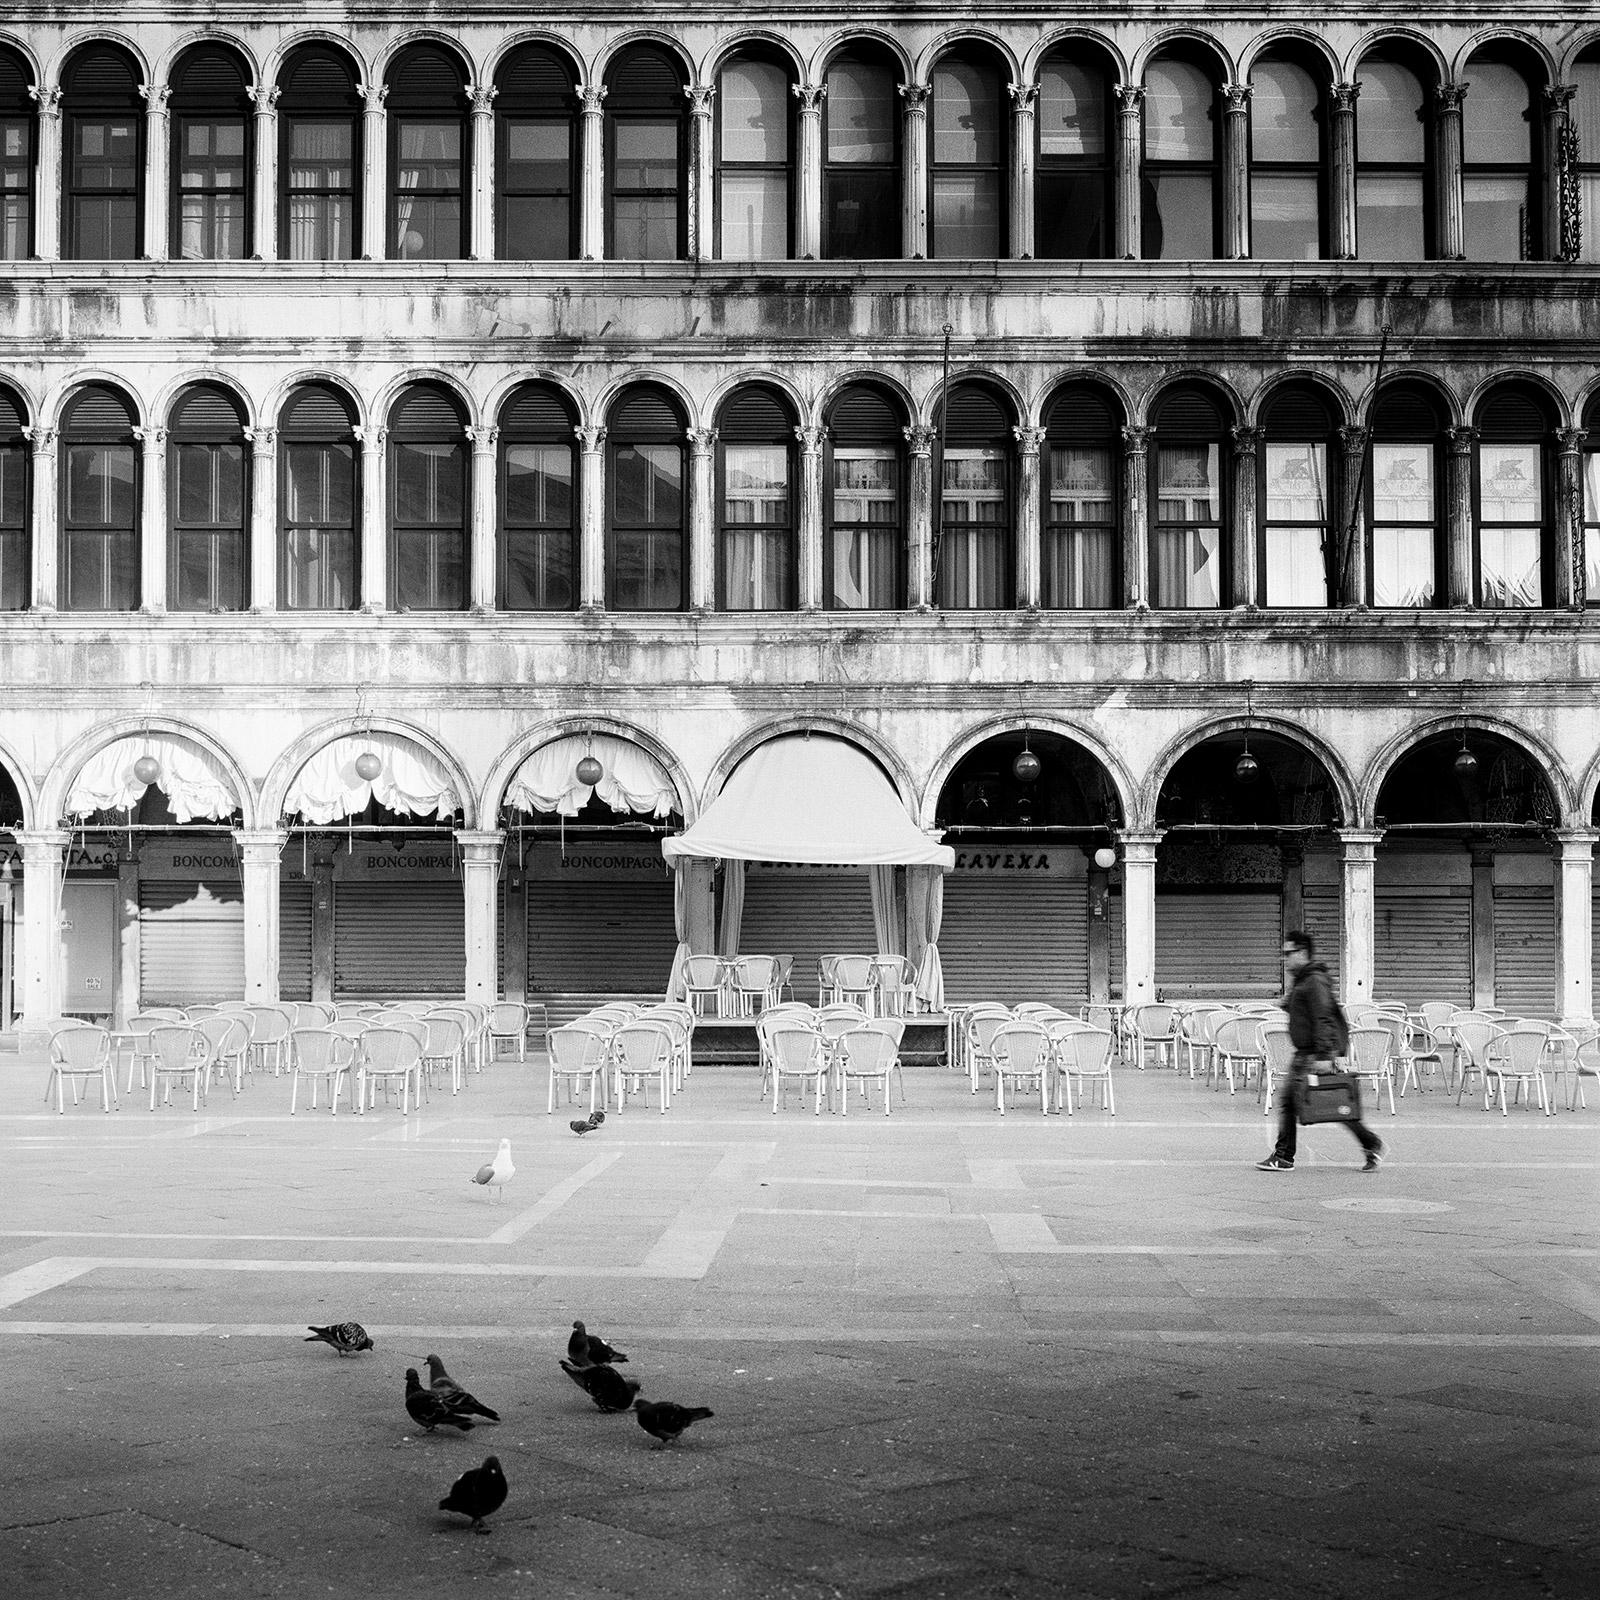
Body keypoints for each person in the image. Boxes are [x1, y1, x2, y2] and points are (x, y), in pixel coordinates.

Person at [1256, 930, 1384, 1173]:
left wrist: (1325, 1056)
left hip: (1313, 1053)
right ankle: (1370, 1143)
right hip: (1306, 1052)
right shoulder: (1304, 979)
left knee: (1323, 1102)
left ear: (1302, 953)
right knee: (1317, 1103)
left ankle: (1284, 1156)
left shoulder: (1314, 980)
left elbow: (1324, 1016)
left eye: (1288, 953)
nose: (1285, 959)